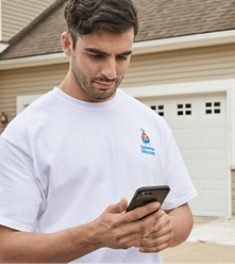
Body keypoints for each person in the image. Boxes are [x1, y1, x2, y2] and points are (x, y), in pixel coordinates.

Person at [0, 0, 197, 262]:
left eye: (123, 56)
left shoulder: (150, 122)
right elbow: (6, 247)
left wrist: (168, 230)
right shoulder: (26, 133)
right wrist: (95, 236)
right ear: (68, 43)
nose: (110, 72)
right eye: (97, 55)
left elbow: (182, 212)